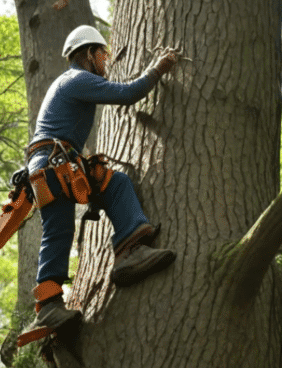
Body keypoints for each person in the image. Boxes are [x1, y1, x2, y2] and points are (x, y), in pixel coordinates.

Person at [18, 25, 178, 345]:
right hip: (54, 164)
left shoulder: (69, 84)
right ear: (89, 54)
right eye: (102, 55)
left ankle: (125, 254)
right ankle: (50, 305)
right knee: (68, 224)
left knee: (102, 193)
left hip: (55, 164)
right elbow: (128, 93)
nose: (105, 61)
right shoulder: (77, 78)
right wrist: (158, 67)